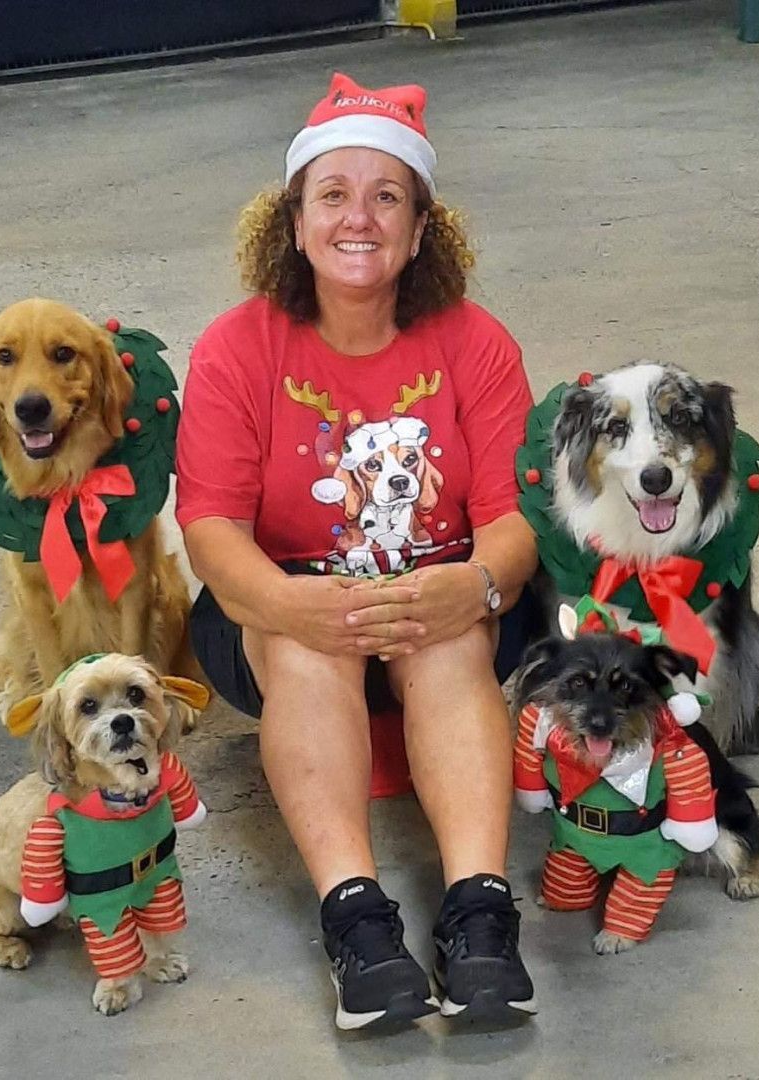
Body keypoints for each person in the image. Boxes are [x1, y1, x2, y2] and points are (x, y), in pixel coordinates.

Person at [175, 72, 541, 1030]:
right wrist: (288, 605)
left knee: (448, 642)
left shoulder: (476, 343)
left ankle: (479, 914)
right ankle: (358, 923)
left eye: (387, 197)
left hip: (450, 589)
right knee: (305, 648)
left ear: (421, 229)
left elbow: (517, 513)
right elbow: (210, 525)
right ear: (293, 221)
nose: (359, 218)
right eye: (332, 194)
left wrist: (473, 586)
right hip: (281, 601)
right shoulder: (235, 349)